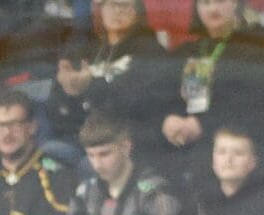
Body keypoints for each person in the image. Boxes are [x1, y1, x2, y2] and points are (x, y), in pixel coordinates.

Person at [156, 0, 264, 187]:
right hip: (195, 138)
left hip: (247, 137)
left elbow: (255, 104)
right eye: (205, 3)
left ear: (236, 4)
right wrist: (170, 119)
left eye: (220, 1)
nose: (213, 9)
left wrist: (202, 125)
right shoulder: (190, 50)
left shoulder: (258, 45)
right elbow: (166, 96)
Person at [48, 0, 171, 150]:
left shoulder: (151, 51)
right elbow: (57, 107)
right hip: (83, 138)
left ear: (138, 12)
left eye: (125, 6)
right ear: (102, 9)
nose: (118, 11)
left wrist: (89, 86)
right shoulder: (87, 50)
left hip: (128, 141)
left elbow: (137, 102)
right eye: (112, 4)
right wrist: (69, 89)